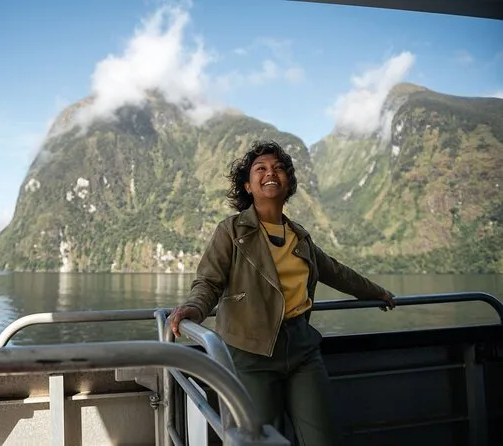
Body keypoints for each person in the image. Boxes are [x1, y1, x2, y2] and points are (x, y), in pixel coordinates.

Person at [169, 139, 396, 446]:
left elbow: (337, 272)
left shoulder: (299, 236)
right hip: (250, 352)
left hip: (302, 350)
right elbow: (208, 282)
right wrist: (194, 308)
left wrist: (378, 293)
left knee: (323, 438)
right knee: (263, 440)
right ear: (247, 186)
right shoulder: (231, 231)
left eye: (278, 168)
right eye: (260, 169)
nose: (270, 173)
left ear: (288, 182)